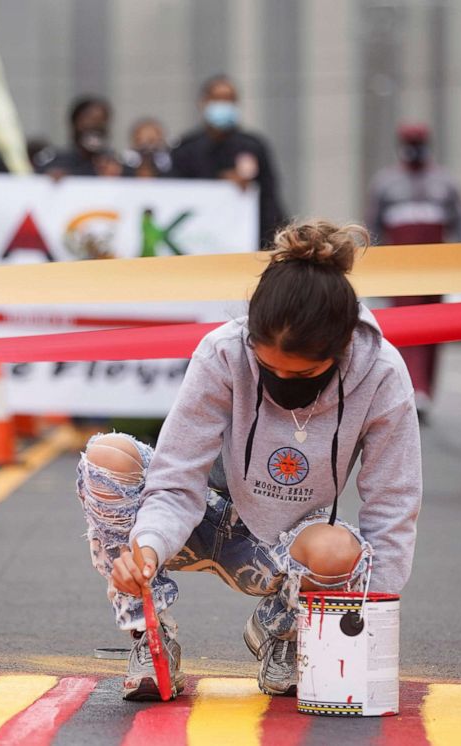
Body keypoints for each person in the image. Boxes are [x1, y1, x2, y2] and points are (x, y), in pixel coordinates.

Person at [74, 220, 421, 701]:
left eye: (302, 372)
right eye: (268, 366)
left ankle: (283, 633)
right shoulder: (222, 351)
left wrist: (371, 618)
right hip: (199, 515)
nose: (283, 378)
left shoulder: (382, 373)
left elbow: (393, 505)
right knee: (107, 457)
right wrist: (147, 548)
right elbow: (177, 477)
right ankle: (150, 639)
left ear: (341, 348)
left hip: (284, 547)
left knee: (338, 549)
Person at [366, 123, 461, 420]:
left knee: (432, 328)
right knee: (403, 327)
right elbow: (371, 227)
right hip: (400, 269)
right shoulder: (386, 182)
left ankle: (425, 389)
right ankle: (405, 387)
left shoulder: (444, 182)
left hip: (435, 267)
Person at [171, 75, 287, 246]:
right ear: (203, 102)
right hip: (199, 238)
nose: (223, 105)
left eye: (229, 100)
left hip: (249, 239)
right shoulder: (186, 149)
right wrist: (221, 184)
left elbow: (270, 197)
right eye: (217, 99)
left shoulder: (253, 146)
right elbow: (175, 193)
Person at [33, 95, 123, 178]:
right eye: (91, 119)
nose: (96, 126)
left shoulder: (116, 162)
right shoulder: (54, 160)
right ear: (75, 122)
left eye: (102, 121)